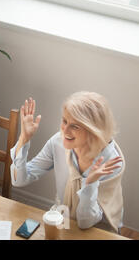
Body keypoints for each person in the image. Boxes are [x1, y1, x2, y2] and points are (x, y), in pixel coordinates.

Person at [10, 92, 124, 232]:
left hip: (99, 230)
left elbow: (86, 223)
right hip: (63, 218)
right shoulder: (58, 142)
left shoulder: (111, 162)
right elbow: (19, 180)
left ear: (93, 131)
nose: (65, 130)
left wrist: (90, 183)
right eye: (64, 121)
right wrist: (24, 138)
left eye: (75, 126)